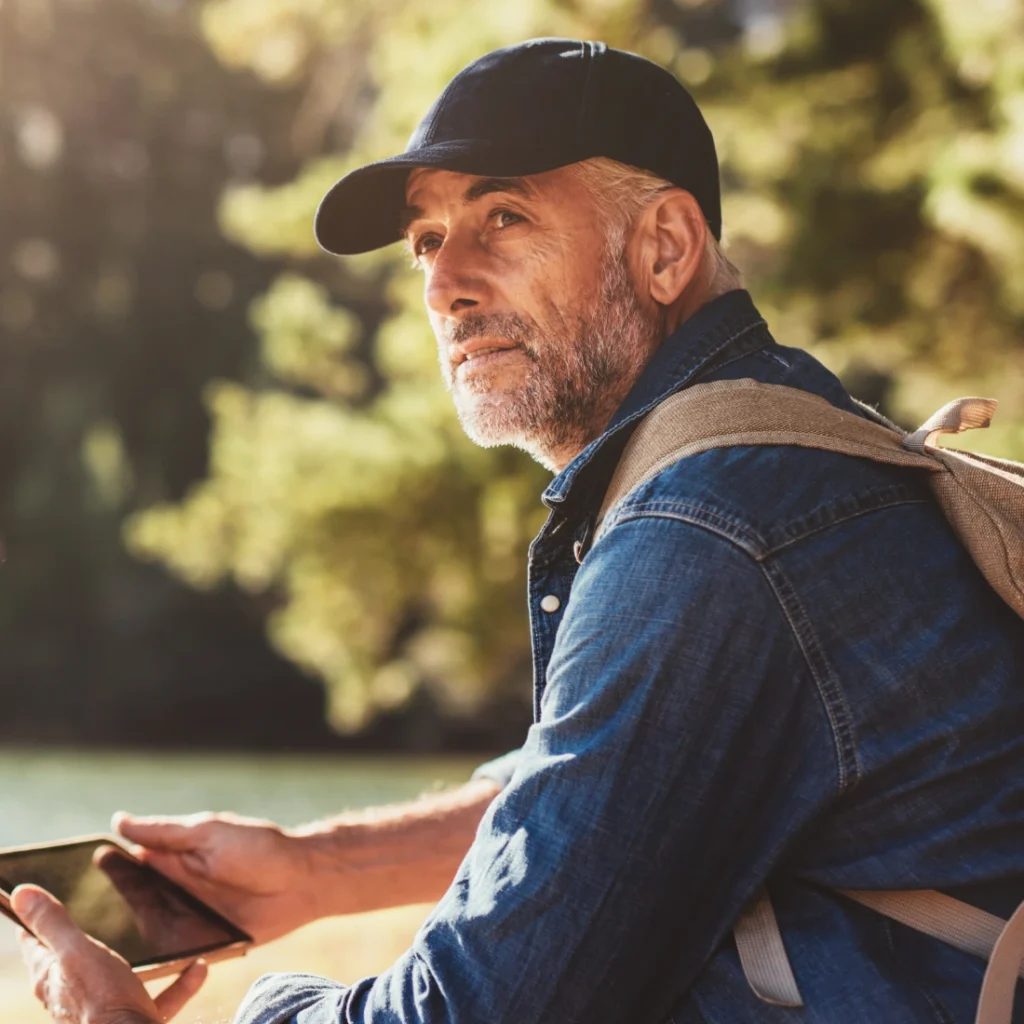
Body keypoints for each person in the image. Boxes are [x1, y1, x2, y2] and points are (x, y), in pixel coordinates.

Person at [15, 38, 1024, 1024]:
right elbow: (603, 775)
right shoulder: (789, 443)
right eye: (425, 239)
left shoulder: (708, 532)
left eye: (502, 217)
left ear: (664, 249)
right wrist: (317, 870)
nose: (442, 283)